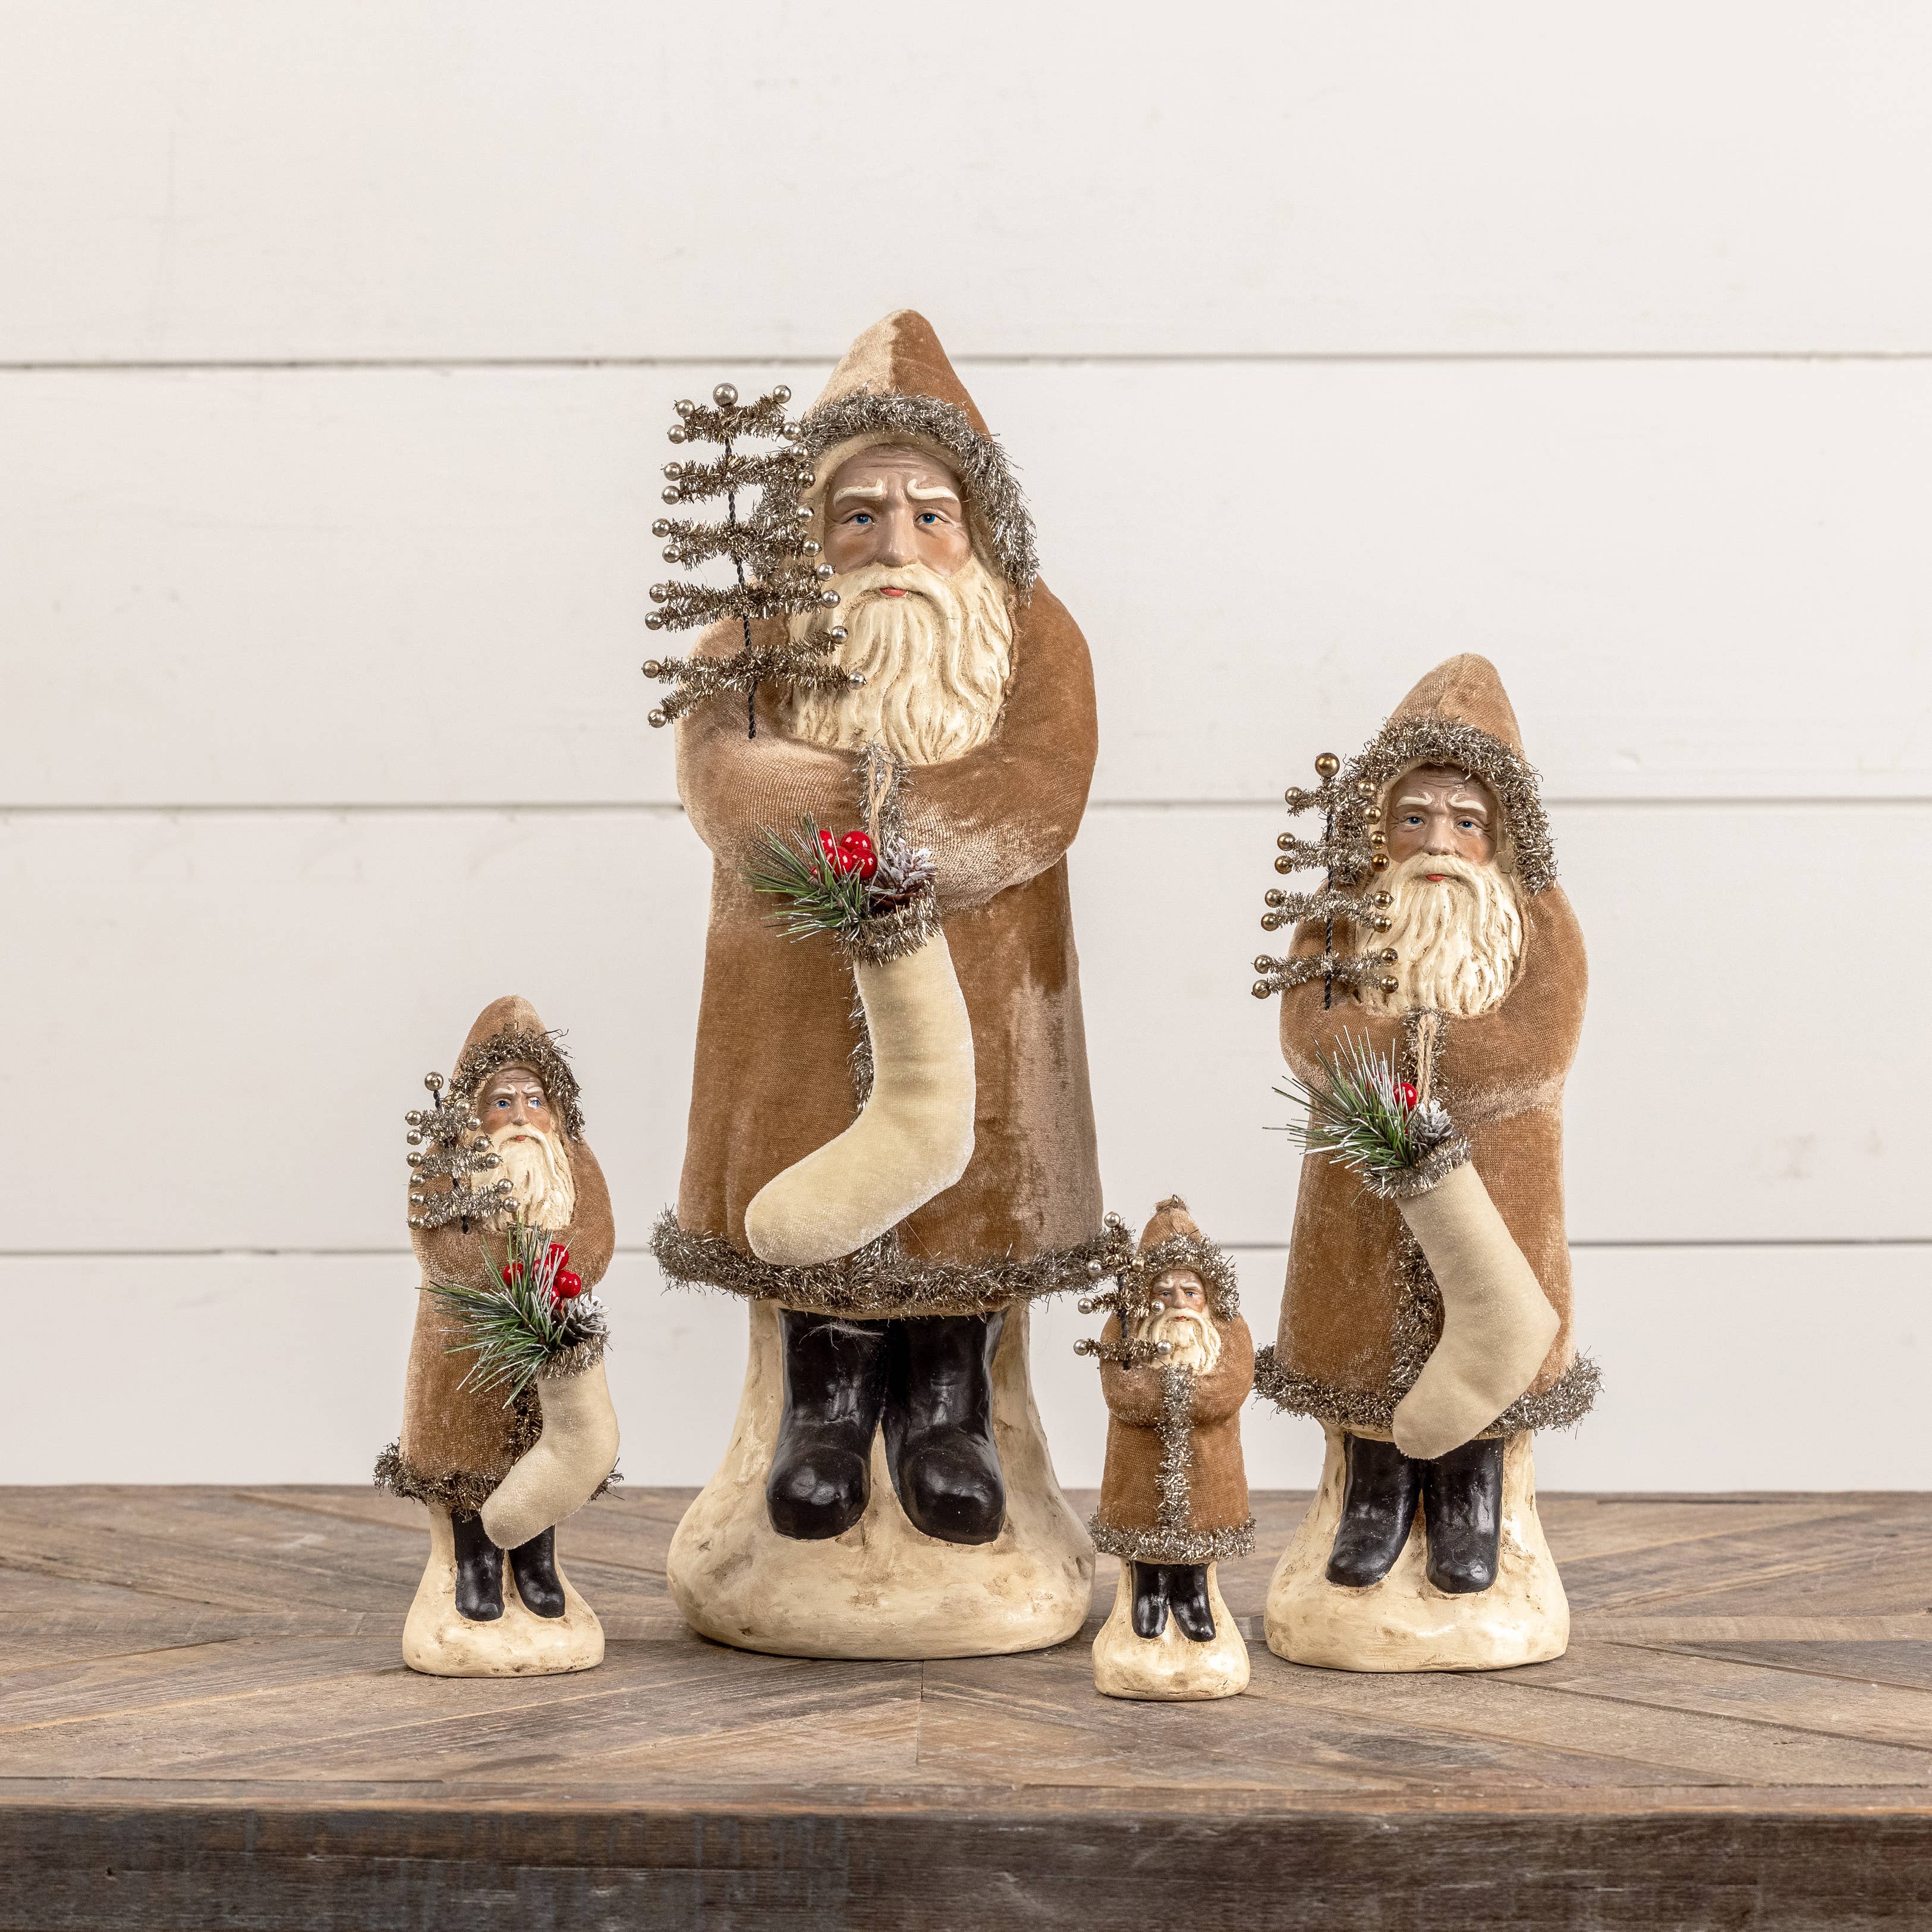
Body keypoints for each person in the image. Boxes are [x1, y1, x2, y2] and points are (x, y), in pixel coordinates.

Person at [653, 310, 1110, 1560]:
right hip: (795, 997)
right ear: (813, 528)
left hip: (991, 984)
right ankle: (827, 1403)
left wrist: (876, 825)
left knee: (969, 1197)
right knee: (809, 1187)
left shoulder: (1031, 634)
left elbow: (1037, 792)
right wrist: (871, 816)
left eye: (927, 514)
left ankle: (947, 1409)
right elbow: (728, 784)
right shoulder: (752, 642)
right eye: (859, 515)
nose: (894, 545)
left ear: (976, 525)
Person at [1257, 656, 1597, 1595]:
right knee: (1365, 1343)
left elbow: (1536, 1048)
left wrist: (1417, 1053)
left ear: (1501, 833)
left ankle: (1467, 1497)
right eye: (1413, 818)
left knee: (1485, 1345)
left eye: (1464, 821)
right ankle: (1372, 1491)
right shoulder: (1340, 918)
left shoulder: (1537, 924)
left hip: (1499, 1182)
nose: (1436, 841)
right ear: (1378, 826)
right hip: (1360, 1191)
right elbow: (1312, 1032)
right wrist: (1401, 1063)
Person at [375, 995, 616, 1623]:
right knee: (469, 1452)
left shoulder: (570, 1159)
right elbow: (441, 1249)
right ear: (475, 1110)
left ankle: (537, 1559)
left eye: (534, 1100)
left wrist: (553, 1277)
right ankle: (476, 1562)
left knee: (545, 1449)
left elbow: (595, 1237)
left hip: (546, 1342)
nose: (521, 1116)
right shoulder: (448, 1165)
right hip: (463, 1345)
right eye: (503, 1102)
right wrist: (509, 1276)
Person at [1090, 1198, 1254, 1641]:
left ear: (1207, 1294)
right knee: (1143, 1530)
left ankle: (1192, 1591)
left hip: (1208, 1460)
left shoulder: (1228, 1328)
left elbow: (1230, 1387)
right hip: (1140, 1462)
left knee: (1200, 1530)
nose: (1177, 1303)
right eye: (1164, 1292)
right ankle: (1148, 1588)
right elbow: (1121, 1391)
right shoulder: (1126, 1327)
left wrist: (1176, 1393)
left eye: (1189, 1292)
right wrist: (1172, 1392)